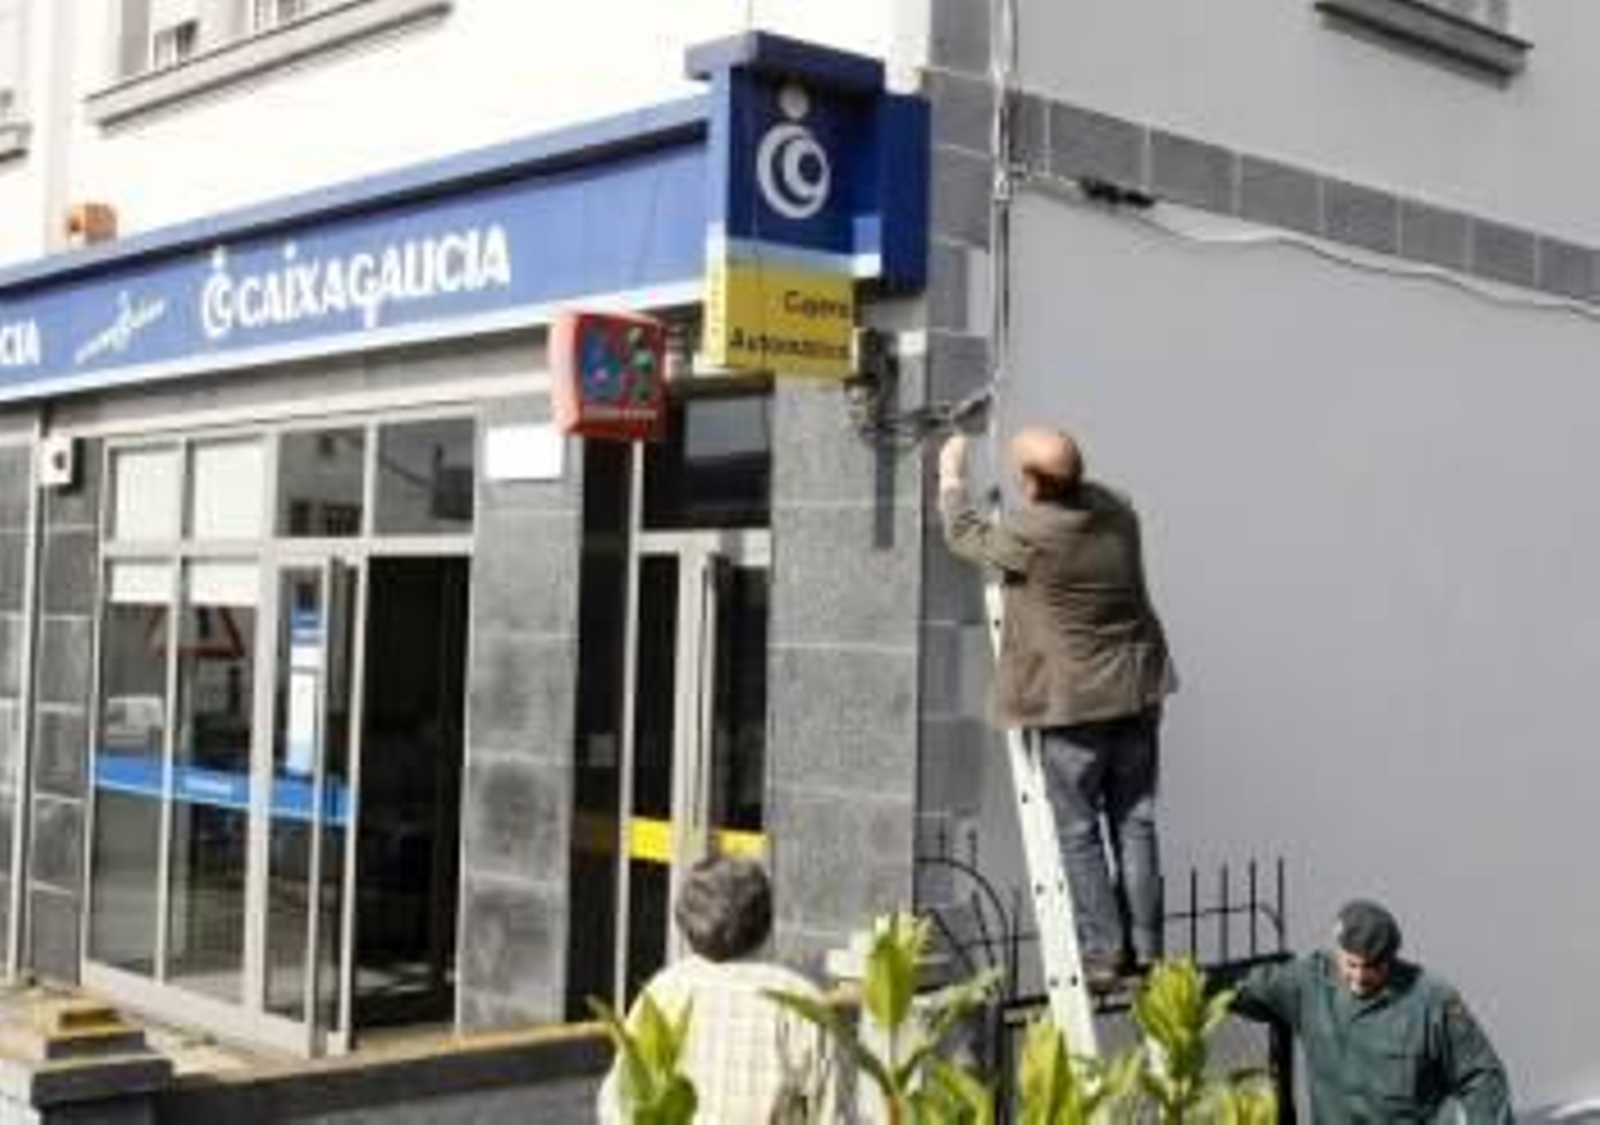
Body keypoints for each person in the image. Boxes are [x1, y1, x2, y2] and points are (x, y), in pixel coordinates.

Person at [938, 427, 1176, 989]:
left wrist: (951, 474)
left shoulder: (1032, 533)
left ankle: (1103, 955)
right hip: (1137, 690)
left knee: (1078, 831)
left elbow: (964, 536)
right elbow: (1076, 490)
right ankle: (1147, 951)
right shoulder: (1118, 509)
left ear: (1030, 482)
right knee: (1135, 822)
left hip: (1075, 707)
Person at [596, 854, 831, 1123]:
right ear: (766, 921)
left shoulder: (662, 992)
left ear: (685, 923)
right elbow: (834, 1114)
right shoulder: (800, 1002)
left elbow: (618, 1106)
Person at [1232, 899, 1513, 1123]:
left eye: (1372, 967)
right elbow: (1238, 988)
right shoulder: (1308, 985)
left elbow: (1482, 1078)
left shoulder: (1431, 1001)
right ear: (1336, 951)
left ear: (1390, 958)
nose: (1359, 976)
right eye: (1351, 965)